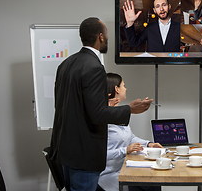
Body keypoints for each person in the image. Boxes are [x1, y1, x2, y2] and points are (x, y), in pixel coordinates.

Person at [49, 17, 153, 191]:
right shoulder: (94, 67)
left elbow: (61, 107)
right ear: (101, 37)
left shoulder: (65, 64)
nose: (107, 38)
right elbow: (97, 113)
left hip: (65, 151)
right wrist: (130, 109)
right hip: (85, 154)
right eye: (106, 34)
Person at [97, 73, 163, 191]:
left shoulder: (118, 112)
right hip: (108, 174)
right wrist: (126, 150)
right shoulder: (101, 117)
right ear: (116, 89)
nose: (126, 88)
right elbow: (98, 154)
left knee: (153, 180)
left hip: (124, 168)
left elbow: (130, 137)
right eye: (123, 85)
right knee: (150, 185)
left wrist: (149, 144)